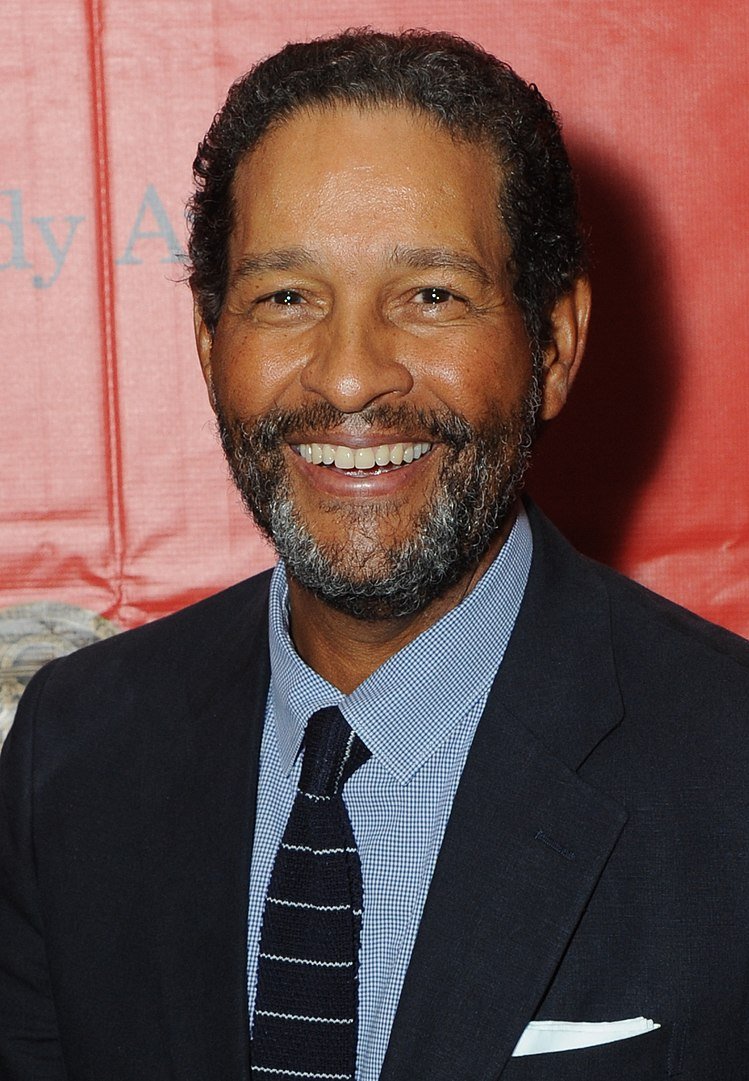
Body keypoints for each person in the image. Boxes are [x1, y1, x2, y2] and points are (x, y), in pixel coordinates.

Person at [1, 28, 748, 1081]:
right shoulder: (72, 755)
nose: (349, 378)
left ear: (555, 345)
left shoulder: (727, 769)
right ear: (212, 347)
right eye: (286, 298)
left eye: (431, 294)